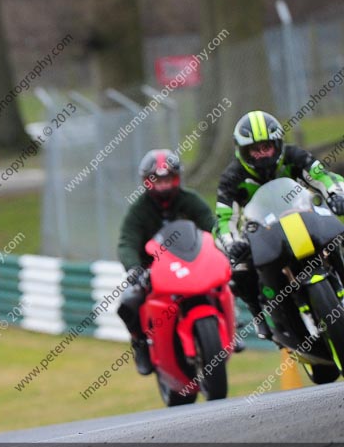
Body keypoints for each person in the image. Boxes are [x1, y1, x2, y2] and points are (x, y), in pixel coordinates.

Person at [215, 110, 344, 339]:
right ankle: (258, 316)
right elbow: (225, 220)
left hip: (304, 218)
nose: (263, 155)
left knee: (336, 230)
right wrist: (232, 243)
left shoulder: (294, 155)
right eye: (255, 150)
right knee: (239, 268)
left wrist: (335, 194)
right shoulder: (231, 178)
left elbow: (321, 175)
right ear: (242, 151)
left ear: (278, 144)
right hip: (264, 232)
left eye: (267, 147)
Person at [117, 149, 216, 375]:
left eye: (168, 179)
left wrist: (222, 244)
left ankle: (232, 325)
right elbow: (126, 241)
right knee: (128, 302)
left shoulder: (189, 200)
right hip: (153, 270)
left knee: (225, 283)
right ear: (147, 182)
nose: (163, 185)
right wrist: (134, 268)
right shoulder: (138, 210)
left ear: (177, 178)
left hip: (192, 263)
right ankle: (140, 344)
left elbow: (210, 223)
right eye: (157, 180)